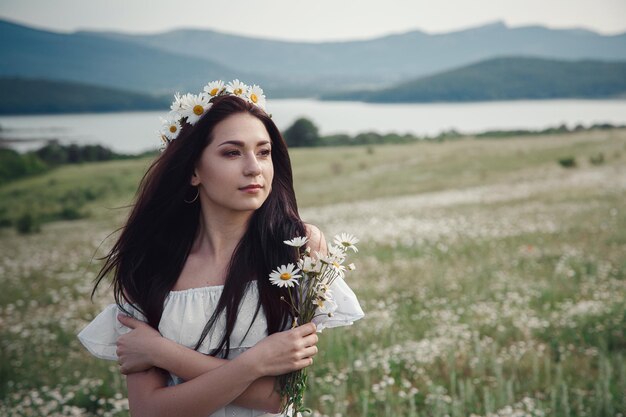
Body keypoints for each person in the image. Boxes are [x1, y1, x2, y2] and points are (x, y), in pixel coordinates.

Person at [77, 80, 364, 417]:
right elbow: (148, 410)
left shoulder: (299, 250)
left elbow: (278, 397)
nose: (254, 168)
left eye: (263, 152)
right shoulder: (148, 266)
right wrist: (256, 364)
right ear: (194, 170)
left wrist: (162, 353)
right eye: (231, 152)